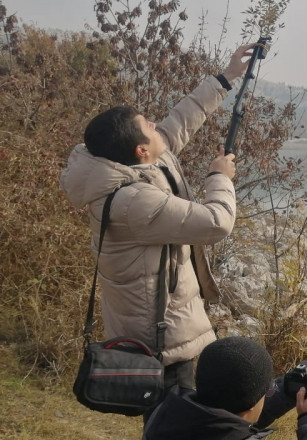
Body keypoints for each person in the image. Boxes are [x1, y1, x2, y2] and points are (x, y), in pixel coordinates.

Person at [61, 44, 256, 408]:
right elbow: (217, 222)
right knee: (172, 417)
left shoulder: (123, 165)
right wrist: (220, 177)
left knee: (169, 417)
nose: (156, 126)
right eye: (148, 126)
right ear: (140, 151)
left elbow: (180, 121)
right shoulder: (134, 202)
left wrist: (226, 77)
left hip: (160, 318)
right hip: (159, 334)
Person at [143, 336, 307, 440]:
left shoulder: (163, 414)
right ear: (252, 407)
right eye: (265, 392)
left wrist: (285, 391)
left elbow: (233, 416)